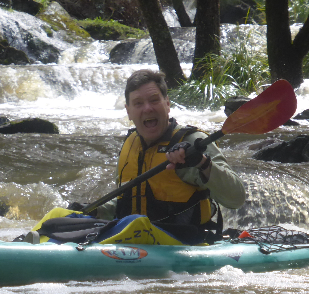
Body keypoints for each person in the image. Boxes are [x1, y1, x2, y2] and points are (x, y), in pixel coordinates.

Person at [72, 69, 246, 244]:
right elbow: (128, 203)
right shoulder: (130, 144)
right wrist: (94, 211)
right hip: (134, 242)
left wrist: (202, 163)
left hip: (184, 245)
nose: (147, 108)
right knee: (63, 217)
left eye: (154, 100)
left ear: (167, 104)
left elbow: (236, 198)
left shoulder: (194, 142)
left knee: (135, 225)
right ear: (129, 111)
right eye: (138, 103)